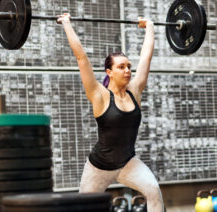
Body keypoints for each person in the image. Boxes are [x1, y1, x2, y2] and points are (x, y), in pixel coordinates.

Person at [57, 13, 164, 212]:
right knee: (84, 208)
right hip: (99, 167)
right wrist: (66, 24)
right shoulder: (100, 95)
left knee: (153, 190)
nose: (127, 71)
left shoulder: (135, 91)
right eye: (121, 67)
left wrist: (150, 27)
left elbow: (146, 57)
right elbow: (81, 58)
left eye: (129, 67)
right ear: (109, 72)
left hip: (128, 163)